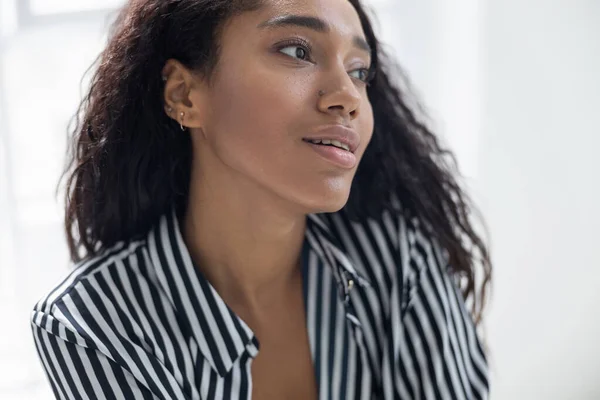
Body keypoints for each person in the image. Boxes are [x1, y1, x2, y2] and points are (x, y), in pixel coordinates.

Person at [30, 0, 492, 398]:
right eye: (297, 51)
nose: (348, 97)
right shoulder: (93, 326)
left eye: (360, 71)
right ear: (184, 94)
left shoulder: (401, 260)